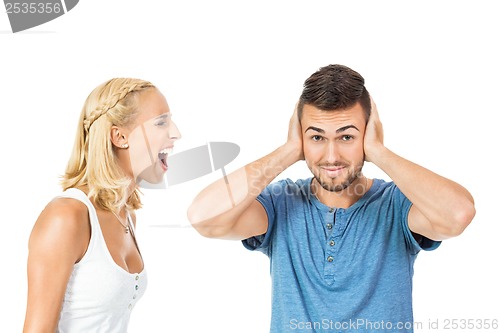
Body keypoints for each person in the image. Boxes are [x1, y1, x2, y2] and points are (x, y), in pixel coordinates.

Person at [187, 64, 476, 332]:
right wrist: (287, 151)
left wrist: (379, 152)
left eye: (347, 137)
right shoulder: (280, 203)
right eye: (317, 137)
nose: (331, 156)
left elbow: (458, 215)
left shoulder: (397, 205)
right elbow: (204, 218)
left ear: (368, 134)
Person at [23, 78, 181, 333]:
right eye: (161, 122)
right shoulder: (67, 216)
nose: (176, 133)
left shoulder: (126, 216)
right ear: (119, 137)